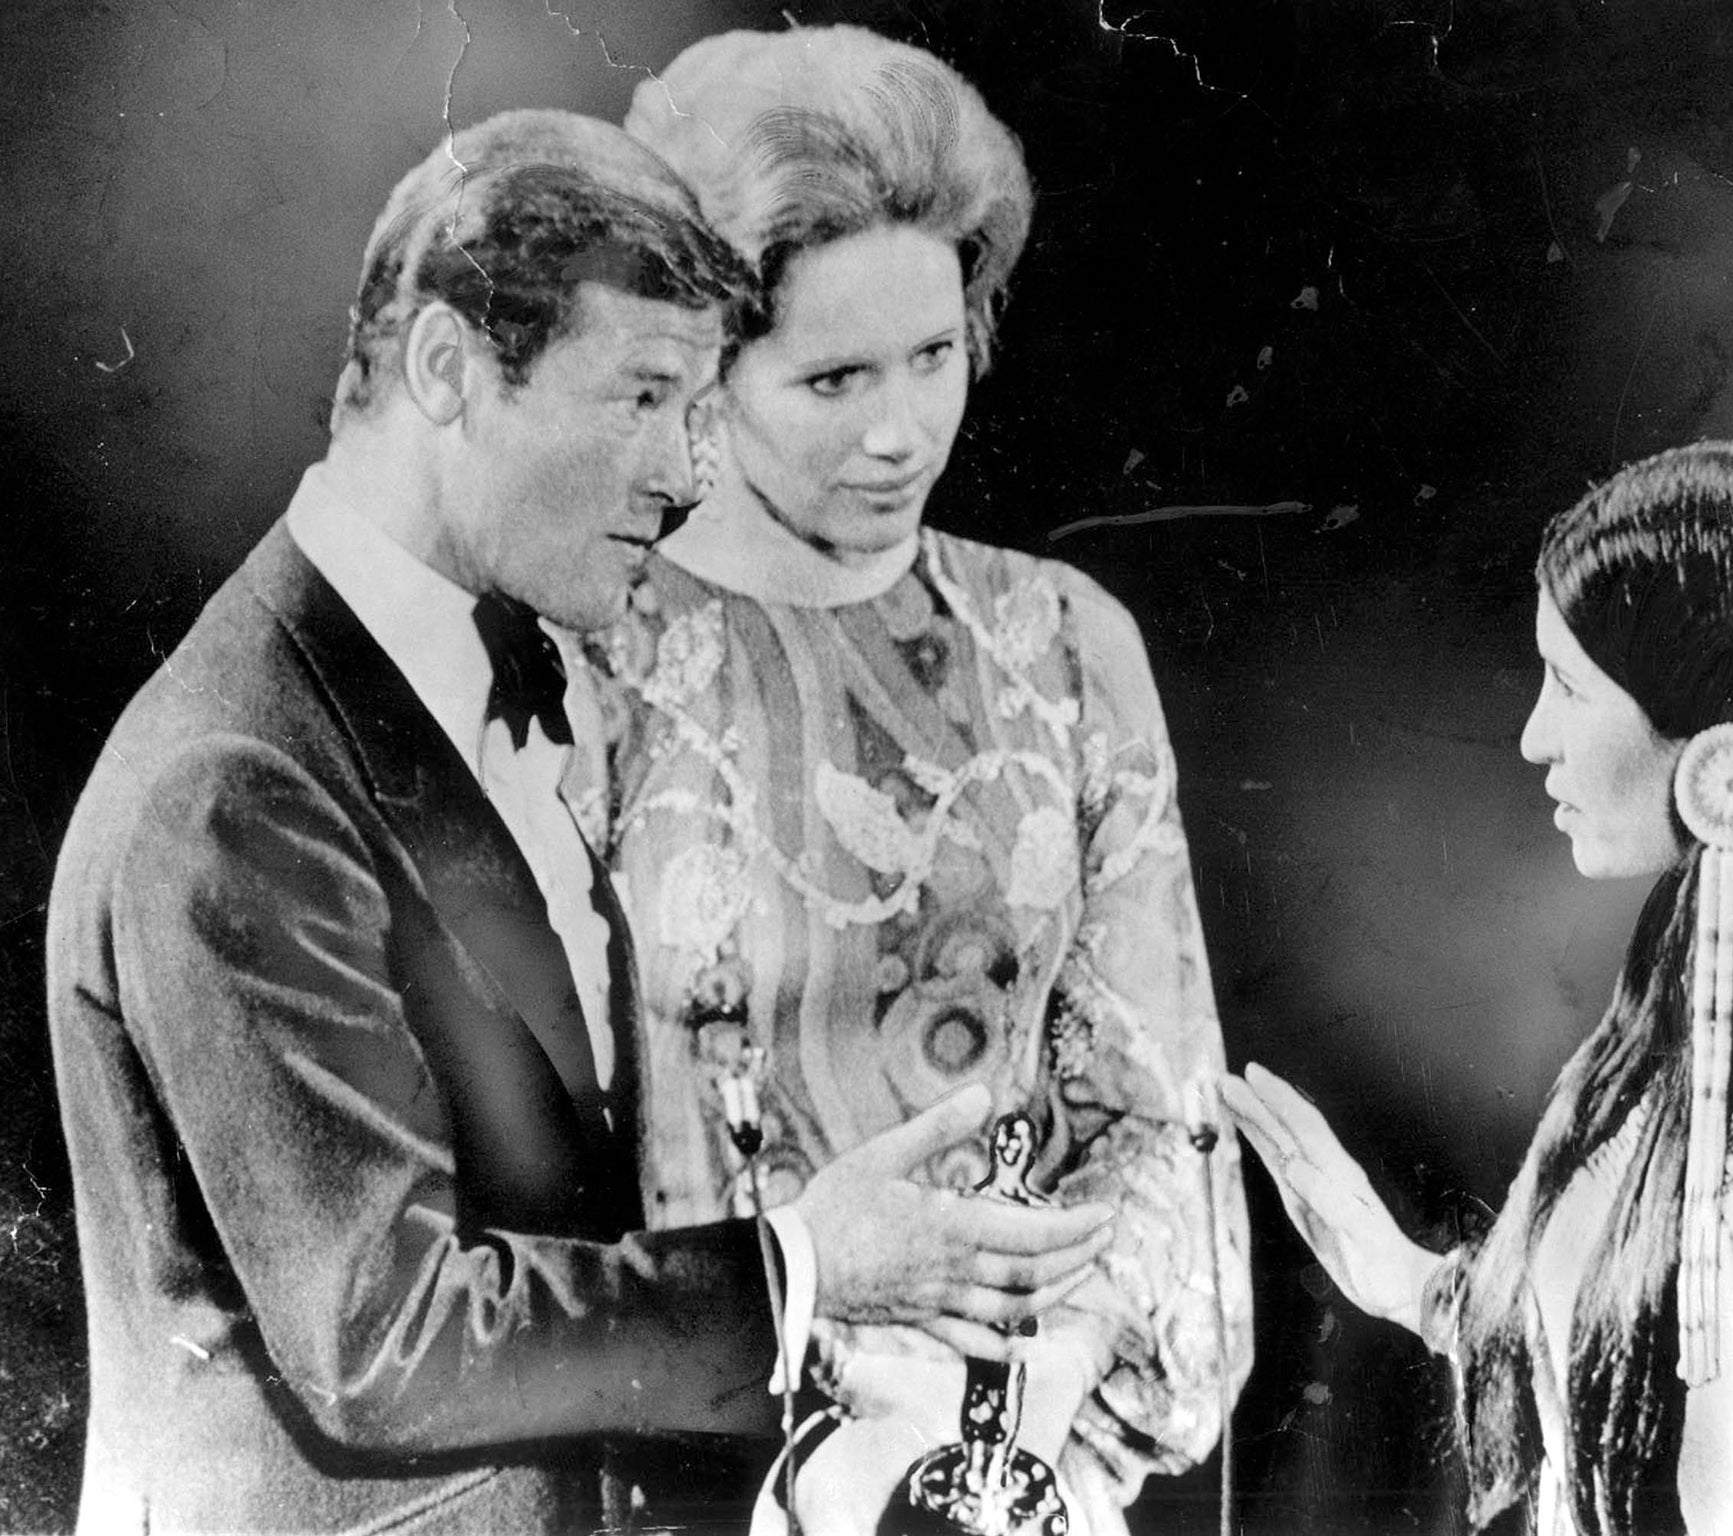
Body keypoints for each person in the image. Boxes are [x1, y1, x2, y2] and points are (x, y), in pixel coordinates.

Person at [44, 108, 1117, 1535]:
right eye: (646, 398)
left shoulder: (446, 670)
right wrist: (803, 1268)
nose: (688, 476)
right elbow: (384, 1338)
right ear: (445, 368)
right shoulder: (235, 777)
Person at [565, 26, 1251, 1535]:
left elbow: (1159, 1101)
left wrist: (1038, 1418)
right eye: (833, 378)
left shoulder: (1066, 645)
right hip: (705, 1467)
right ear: (706, 368)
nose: (902, 431)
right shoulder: (592, 659)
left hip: (1034, 1464)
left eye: (935, 356)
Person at [1224, 441, 1733, 1535]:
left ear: (1710, 731)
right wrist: (1410, 1284)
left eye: (1566, 686)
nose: (1532, 737)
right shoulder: (1685, 988)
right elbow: (1617, 1342)